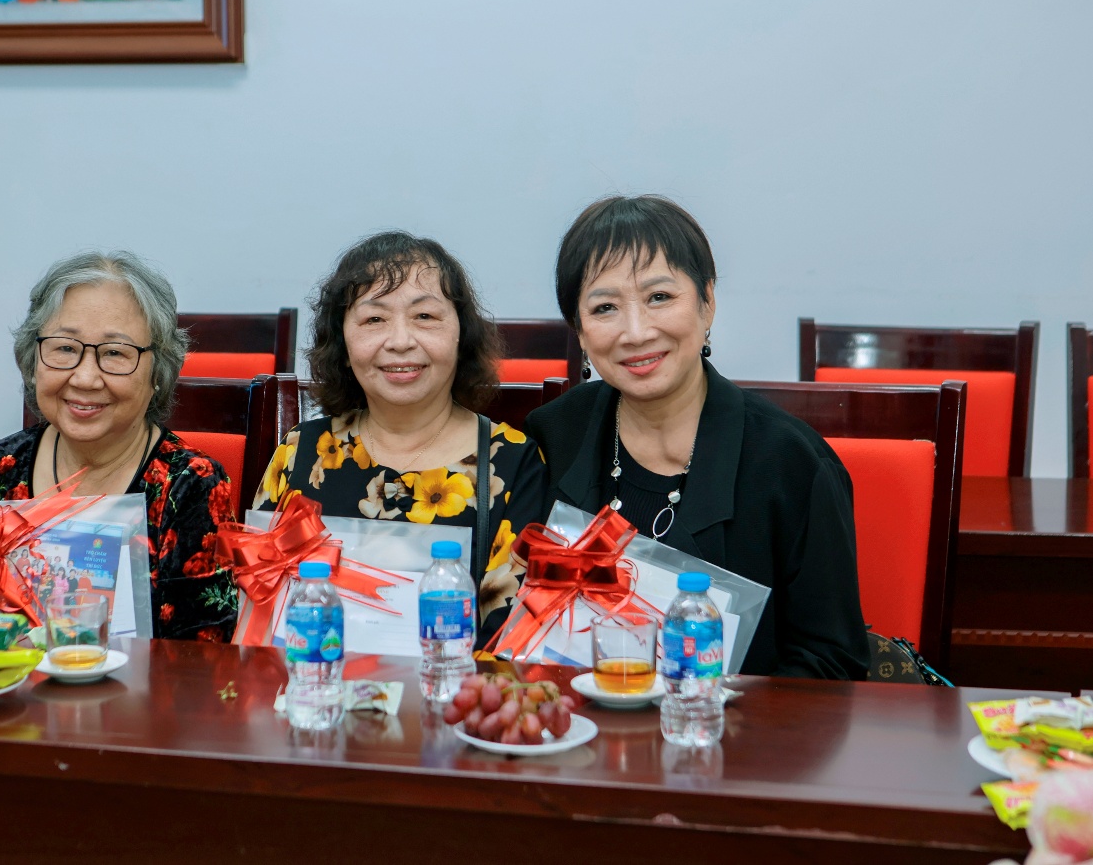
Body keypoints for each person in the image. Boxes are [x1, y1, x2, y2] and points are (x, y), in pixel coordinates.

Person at [525, 196, 869, 680]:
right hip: (580, 733)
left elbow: (833, 665)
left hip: (734, 742)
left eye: (660, 297)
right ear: (579, 332)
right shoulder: (553, 436)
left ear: (707, 302)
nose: (637, 331)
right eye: (605, 307)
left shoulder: (791, 463)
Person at [0, 251, 239, 641]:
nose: (86, 377)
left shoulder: (190, 485)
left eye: (114, 353)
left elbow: (202, 661)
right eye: (64, 348)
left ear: (158, 372)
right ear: (32, 358)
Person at [252, 231, 547, 645]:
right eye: (374, 319)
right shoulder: (302, 451)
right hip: (313, 696)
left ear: (461, 333)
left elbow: (510, 641)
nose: (401, 341)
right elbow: (257, 610)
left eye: (425, 317)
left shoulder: (513, 462)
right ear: (342, 340)